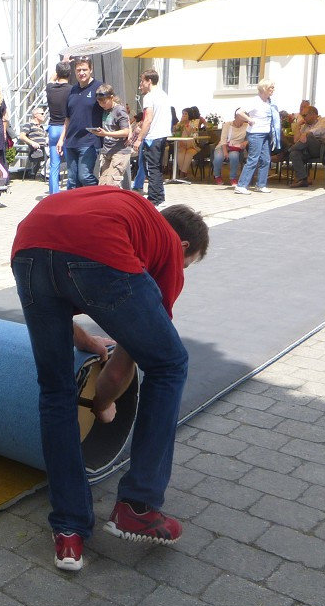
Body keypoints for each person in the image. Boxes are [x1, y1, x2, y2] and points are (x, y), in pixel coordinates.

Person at [11, 187, 208, 571]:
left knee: (55, 390)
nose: (181, 272)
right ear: (182, 245)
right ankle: (138, 505)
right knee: (170, 364)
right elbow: (127, 362)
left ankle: (68, 530)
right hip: (94, 248)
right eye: (189, 264)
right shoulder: (166, 247)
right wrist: (102, 406)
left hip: (28, 245)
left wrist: (86, 340)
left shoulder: (130, 216)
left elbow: (58, 288)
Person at [56, 58, 102, 190]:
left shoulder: (98, 88)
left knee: (85, 176)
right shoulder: (73, 90)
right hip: (71, 141)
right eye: (78, 70)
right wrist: (61, 139)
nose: (81, 73)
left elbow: (112, 107)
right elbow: (68, 118)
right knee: (72, 181)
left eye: (84, 69)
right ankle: (75, 209)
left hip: (89, 141)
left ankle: (102, 194)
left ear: (91, 70)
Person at [126, 69, 171, 206]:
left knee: (150, 168)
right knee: (156, 167)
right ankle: (159, 196)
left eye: (142, 81)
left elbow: (148, 119)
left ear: (149, 81)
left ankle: (154, 199)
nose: (141, 84)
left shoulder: (149, 97)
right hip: (162, 135)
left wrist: (139, 139)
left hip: (152, 137)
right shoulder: (163, 95)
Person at [233, 79, 280, 195]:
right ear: (264, 89)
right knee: (253, 159)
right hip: (255, 133)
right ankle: (241, 185)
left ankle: (261, 185)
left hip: (266, 133)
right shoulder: (255, 101)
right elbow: (239, 112)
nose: (273, 90)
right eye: (271, 88)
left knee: (266, 159)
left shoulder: (269, 101)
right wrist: (249, 119)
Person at [93, 85, 131, 187]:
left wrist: (106, 133)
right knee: (102, 183)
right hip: (107, 150)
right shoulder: (105, 110)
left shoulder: (119, 110)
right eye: (99, 102)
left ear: (111, 97)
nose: (101, 104)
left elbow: (125, 131)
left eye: (104, 102)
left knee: (112, 184)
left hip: (119, 151)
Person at [287, 106, 325, 188]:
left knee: (309, 136)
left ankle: (287, 152)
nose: (303, 118)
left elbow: (319, 130)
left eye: (304, 115)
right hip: (308, 150)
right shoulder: (306, 125)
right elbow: (296, 140)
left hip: (323, 149)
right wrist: (298, 126)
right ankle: (303, 179)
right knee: (294, 153)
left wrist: (305, 134)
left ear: (313, 114)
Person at [44, 62, 72, 194]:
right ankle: (68, 194)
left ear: (58, 73)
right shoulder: (72, 90)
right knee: (71, 165)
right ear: (70, 74)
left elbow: (51, 78)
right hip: (66, 128)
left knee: (54, 165)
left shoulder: (50, 88)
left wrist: (63, 63)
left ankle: (53, 194)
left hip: (53, 128)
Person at [211, 109, 249, 185]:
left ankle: (233, 178)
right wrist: (225, 152)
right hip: (224, 145)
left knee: (234, 156)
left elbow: (252, 136)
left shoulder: (247, 126)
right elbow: (223, 139)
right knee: (218, 157)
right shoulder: (227, 125)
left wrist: (246, 142)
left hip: (236, 147)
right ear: (237, 116)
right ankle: (217, 176)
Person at [18, 107, 49, 179]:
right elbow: (22, 136)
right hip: (36, 150)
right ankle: (45, 173)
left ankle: (47, 173)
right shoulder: (29, 124)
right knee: (54, 154)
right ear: (35, 115)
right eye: (42, 113)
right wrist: (32, 143)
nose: (44, 115)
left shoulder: (41, 127)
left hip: (45, 148)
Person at [174, 106, 202, 179]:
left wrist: (186, 125)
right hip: (182, 144)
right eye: (182, 113)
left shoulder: (194, 122)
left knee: (189, 154)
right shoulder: (180, 123)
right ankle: (182, 172)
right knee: (181, 154)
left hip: (192, 145)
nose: (183, 115)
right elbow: (176, 133)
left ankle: (183, 173)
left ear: (189, 115)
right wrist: (180, 124)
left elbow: (192, 134)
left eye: (185, 114)